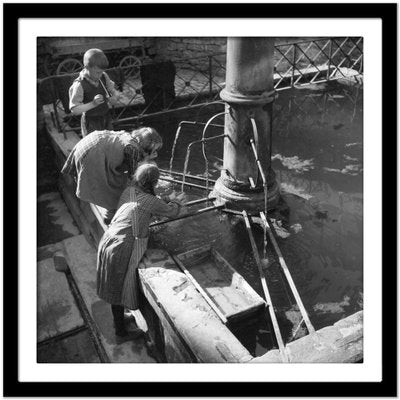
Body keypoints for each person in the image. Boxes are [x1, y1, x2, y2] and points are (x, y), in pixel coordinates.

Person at [96, 163, 186, 338]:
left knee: (114, 286)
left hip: (109, 239)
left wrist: (163, 200)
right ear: (154, 181)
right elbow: (172, 212)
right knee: (116, 289)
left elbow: (149, 206)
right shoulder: (149, 201)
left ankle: (120, 318)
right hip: (120, 247)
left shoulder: (129, 191)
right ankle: (120, 332)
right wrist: (176, 200)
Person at [61, 127, 162, 224]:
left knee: (119, 179)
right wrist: (152, 196)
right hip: (93, 155)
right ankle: (110, 216)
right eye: (154, 150)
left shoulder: (130, 138)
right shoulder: (133, 149)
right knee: (112, 188)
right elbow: (134, 177)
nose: (156, 153)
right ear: (147, 146)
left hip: (88, 144)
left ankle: (110, 212)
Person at [69, 48, 121, 137]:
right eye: (97, 72)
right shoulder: (79, 85)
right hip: (91, 123)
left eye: (102, 72)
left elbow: (114, 91)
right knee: (95, 149)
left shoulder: (103, 76)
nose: (100, 75)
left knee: (109, 145)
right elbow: (75, 110)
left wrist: (115, 97)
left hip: (106, 118)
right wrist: (93, 104)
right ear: (86, 68)